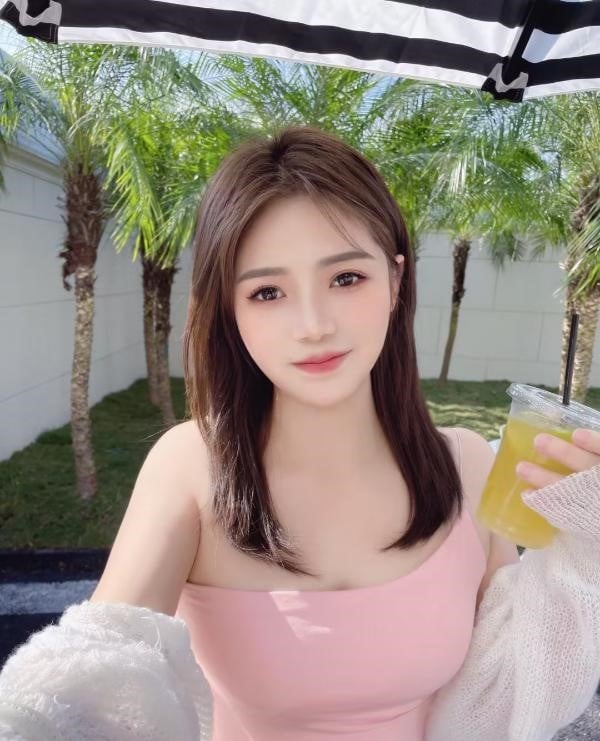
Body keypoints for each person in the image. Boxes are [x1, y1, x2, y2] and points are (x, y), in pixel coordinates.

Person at [1, 125, 600, 741]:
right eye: (268, 292)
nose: (313, 325)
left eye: (346, 279)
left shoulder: (466, 467)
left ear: (396, 280)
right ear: (229, 310)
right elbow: (95, 670)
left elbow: (509, 686)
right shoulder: (193, 466)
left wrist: (586, 546)